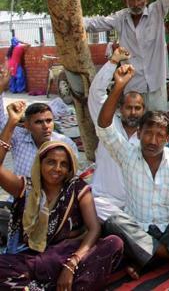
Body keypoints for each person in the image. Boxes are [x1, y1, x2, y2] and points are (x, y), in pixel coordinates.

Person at [96, 64, 169, 279]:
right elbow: (104, 126)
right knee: (114, 223)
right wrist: (118, 87)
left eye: (160, 136)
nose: (153, 140)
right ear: (139, 133)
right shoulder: (127, 153)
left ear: (167, 140)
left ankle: (147, 260)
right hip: (140, 228)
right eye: (148, 133)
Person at [0, 101, 123, 289]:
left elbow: (94, 229)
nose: (57, 169)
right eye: (51, 162)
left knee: (113, 243)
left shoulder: (77, 189)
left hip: (66, 255)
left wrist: (71, 264)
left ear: (69, 168)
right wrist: (11, 123)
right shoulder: (26, 187)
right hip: (33, 257)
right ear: (40, 164)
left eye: (63, 164)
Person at [87, 47, 145, 221]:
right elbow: (96, 93)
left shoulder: (148, 137)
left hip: (135, 206)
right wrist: (113, 62)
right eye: (129, 107)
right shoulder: (108, 124)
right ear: (121, 109)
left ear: (144, 110)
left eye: (137, 108)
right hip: (104, 203)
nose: (133, 112)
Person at [0, 69, 78, 179]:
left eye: (49, 121)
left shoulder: (65, 143)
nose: (46, 126)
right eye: (38, 122)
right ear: (26, 126)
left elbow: (73, 177)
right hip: (24, 194)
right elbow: (2, 125)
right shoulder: (19, 138)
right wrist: (1, 90)